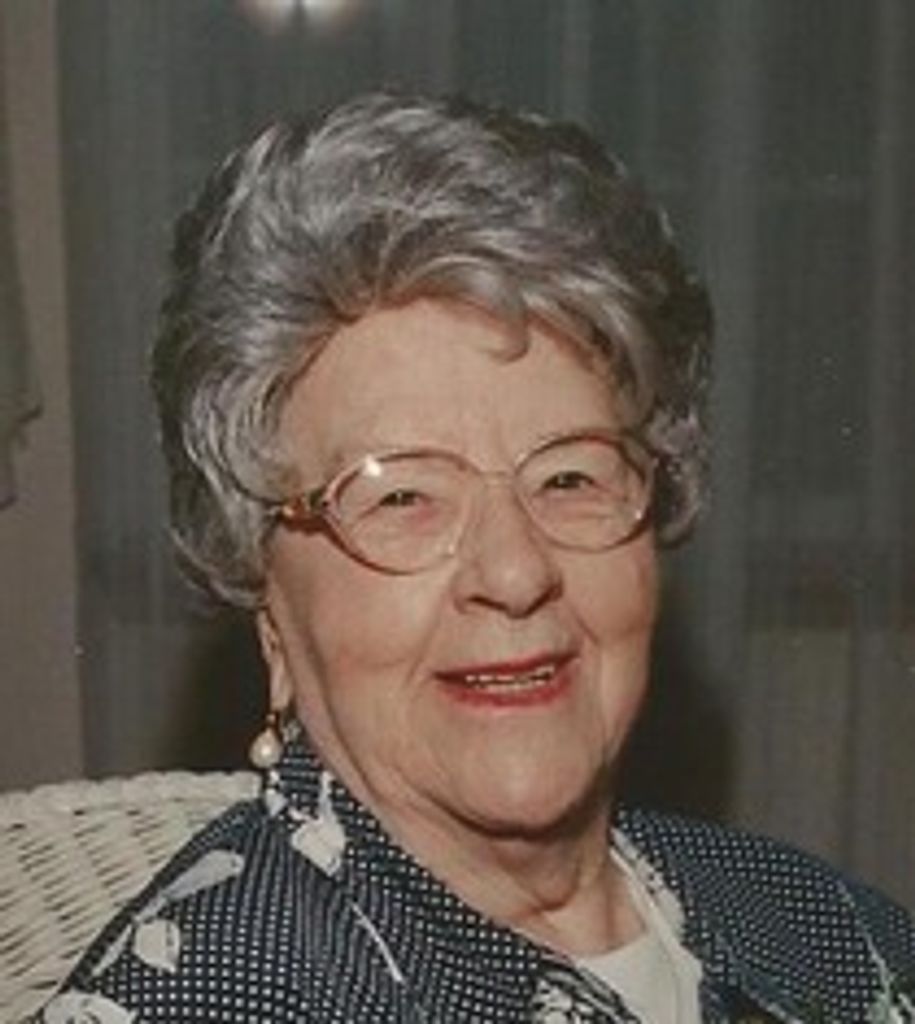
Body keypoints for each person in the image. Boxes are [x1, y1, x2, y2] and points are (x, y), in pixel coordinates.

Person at [40, 92, 914, 1024]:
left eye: (570, 477)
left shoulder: (820, 923)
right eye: (402, 497)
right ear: (269, 604)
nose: (514, 572)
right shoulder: (206, 999)